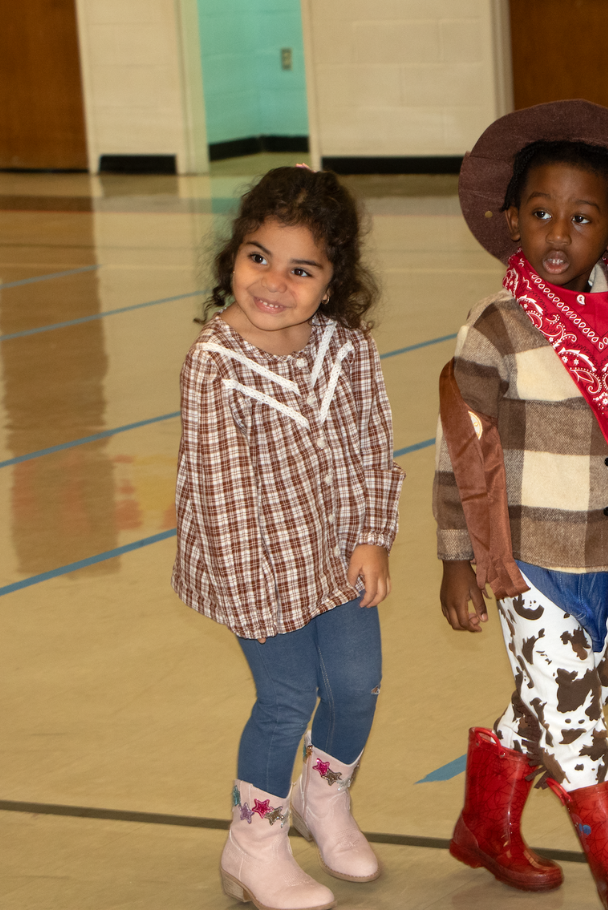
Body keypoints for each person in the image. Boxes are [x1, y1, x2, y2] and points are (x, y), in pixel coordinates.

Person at [434, 101, 608, 910]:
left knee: (565, 691)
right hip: (523, 555)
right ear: (512, 219)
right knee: (575, 710)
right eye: (540, 213)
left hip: (600, 550)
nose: (556, 233)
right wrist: (457, 559)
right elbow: (458, 450)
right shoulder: (496, 329)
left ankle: (485, 826)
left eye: (581, 219)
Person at [172, 165, 404, 910]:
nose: (273, 282)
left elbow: (374, 445)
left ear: (331, 282)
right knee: (285, 700)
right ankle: (255, 844)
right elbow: (221, 490)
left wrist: (371, 537)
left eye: (300, 269)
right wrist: (256, 599)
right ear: (233, 257)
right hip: (257, 567)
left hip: (335, 557)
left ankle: (322, 799)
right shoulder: (215, 365)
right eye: (257, 258)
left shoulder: (348, 350)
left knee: (354, 685)